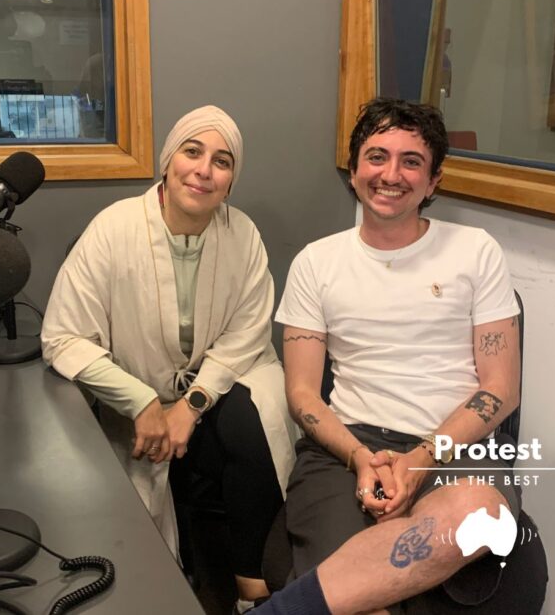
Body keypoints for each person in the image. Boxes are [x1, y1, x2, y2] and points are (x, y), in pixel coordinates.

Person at [256, 98, 525, 614]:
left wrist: (421, 460)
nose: (391, 174)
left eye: (411, 161)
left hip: (456, 449)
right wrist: (360, 458)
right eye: (377, 157)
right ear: (354, 169)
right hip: (347, 450)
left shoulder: (476, 251)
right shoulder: (316, 263)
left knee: (475, 514)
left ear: (433, 180)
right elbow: (302, 393)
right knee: (359, 598)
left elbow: (500, 388)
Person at [41, 105, 298, 612]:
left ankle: (251, 584)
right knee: (137, 525)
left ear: (231, 180)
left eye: (222, 161)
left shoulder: (243, 234)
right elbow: (63, 336)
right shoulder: (113, 228)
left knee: (256, 421)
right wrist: (140, 401)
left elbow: (248, 330)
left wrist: (192, 404)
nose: (204, 170)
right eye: (192, 152)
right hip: (141, 394)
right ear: (167, 160)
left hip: (222, 383)